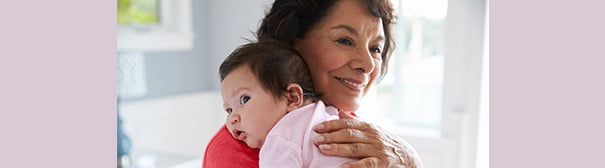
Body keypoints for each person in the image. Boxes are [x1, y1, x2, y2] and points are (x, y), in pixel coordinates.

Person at [204, 0, 423, 167]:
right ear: (291, 41)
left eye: (375, 49)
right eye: (345, 40)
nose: (367, 64)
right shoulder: (237, 151)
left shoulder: (343, 124)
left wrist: (411, 161)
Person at [219, 40, 359, 167]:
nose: (232, 119)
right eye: (229, 110)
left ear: (292, 98)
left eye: (244, 99)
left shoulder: (279, 140)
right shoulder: (327, 113)